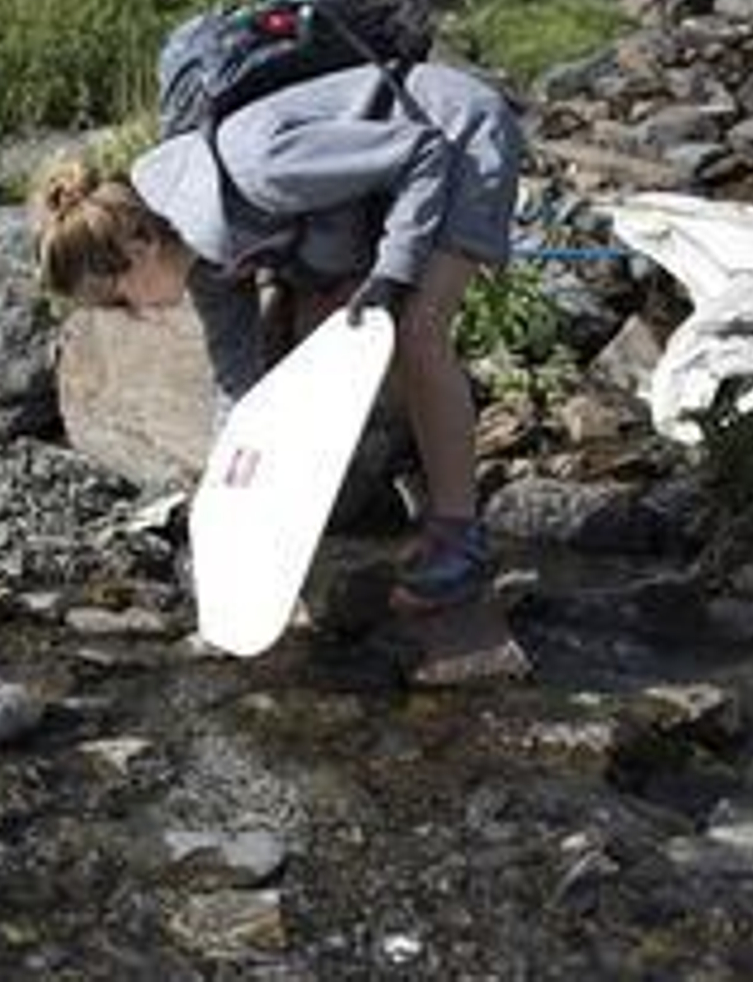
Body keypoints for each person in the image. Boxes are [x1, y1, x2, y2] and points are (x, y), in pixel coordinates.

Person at [31, 61, 524, 613]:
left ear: (138, 246)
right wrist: (226, 498)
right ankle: (389, 484)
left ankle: (460, 535)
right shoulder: (205, 263)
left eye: (118, 300)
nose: (133, 314)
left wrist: (394, 270)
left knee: (415, 330)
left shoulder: (259, 170)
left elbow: (423, 151)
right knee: (318, 335)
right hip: (382, 186)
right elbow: (236, 381)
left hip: (457, 134)